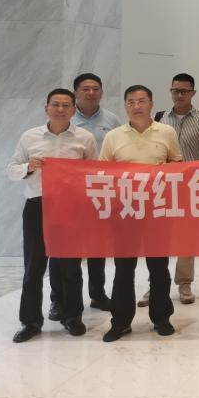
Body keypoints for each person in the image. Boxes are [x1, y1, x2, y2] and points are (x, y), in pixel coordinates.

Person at [8, 88, 98, 343]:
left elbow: (95, 172)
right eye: (55, 104)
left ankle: (72, 317)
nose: (60, 109)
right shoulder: (30, 137)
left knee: (70, 266)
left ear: (73, 109)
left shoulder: (85, 138)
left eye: (66, 105)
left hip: (70, 208)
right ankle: (30, 321)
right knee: (34, 267)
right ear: (46, 107)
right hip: (37, 207)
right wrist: (28, 167)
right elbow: (11, 169)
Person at [99, 85, 183, 342]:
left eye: (142, 101)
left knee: (159, 268)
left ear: (151, 103)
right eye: (131, 101)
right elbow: (103, 172)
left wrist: (162, 171)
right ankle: (120, 321)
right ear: (125, 105)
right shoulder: (113, 136)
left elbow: (178, 164)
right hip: (125, 212)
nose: (137, 106)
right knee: (124, 269)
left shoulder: (166, 132)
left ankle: (161, 318)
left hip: (157, 211)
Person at [148, 72, 199, 307]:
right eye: (176, 90)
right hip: (161, 187)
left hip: (189, 186)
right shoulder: (158, 118)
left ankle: (184, 283)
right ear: (171, 91)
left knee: (186, 237)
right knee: (158, 237)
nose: (180, 95)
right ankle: (155, 283)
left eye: (185, 91)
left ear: (193, 93)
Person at [61, 72, 121, 315]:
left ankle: (98, 294)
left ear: (102, 92)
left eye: (95, 88)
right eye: (85, 89)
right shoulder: (66, 118)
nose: (91, 93)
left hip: (101, 192)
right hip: (71, 194)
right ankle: (60, 299)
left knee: (97, 246)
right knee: (67, 250)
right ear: (75, 92)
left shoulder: (113, 120)